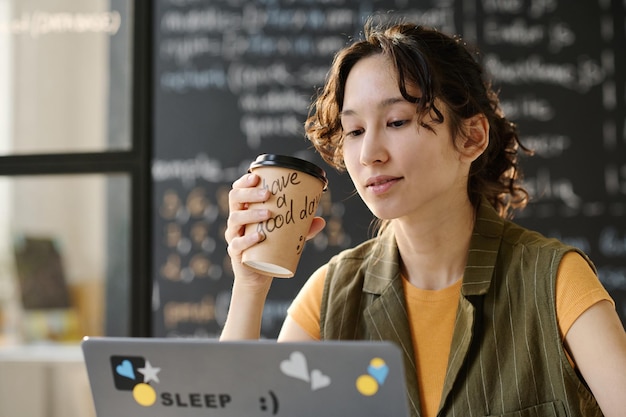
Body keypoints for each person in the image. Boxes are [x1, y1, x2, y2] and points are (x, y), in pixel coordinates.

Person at [221, 17, 626, 417]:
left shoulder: (555, 282)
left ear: (471, 137)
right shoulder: (330, 296)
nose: (368, 155)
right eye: (355, 130)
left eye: (396, 121)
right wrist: (250, 284)